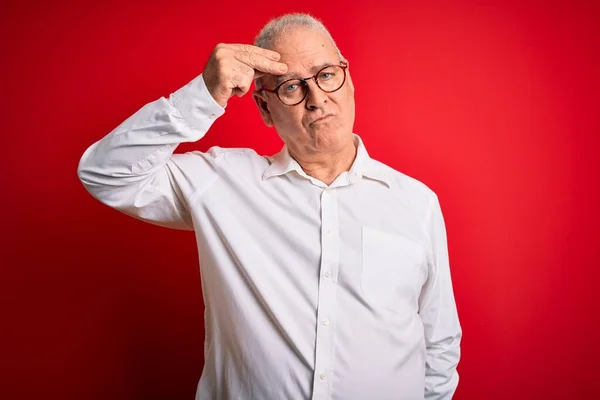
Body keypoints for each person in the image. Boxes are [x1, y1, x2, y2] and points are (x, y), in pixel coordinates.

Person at [77, 12, 462, 400]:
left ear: (349, 81)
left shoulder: (416, 202)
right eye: (292, 87)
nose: (317, 100)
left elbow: (438, 343)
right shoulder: (221, 182)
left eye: (326, 74)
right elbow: (105, 174)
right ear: (264, 108)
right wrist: (204, 94)